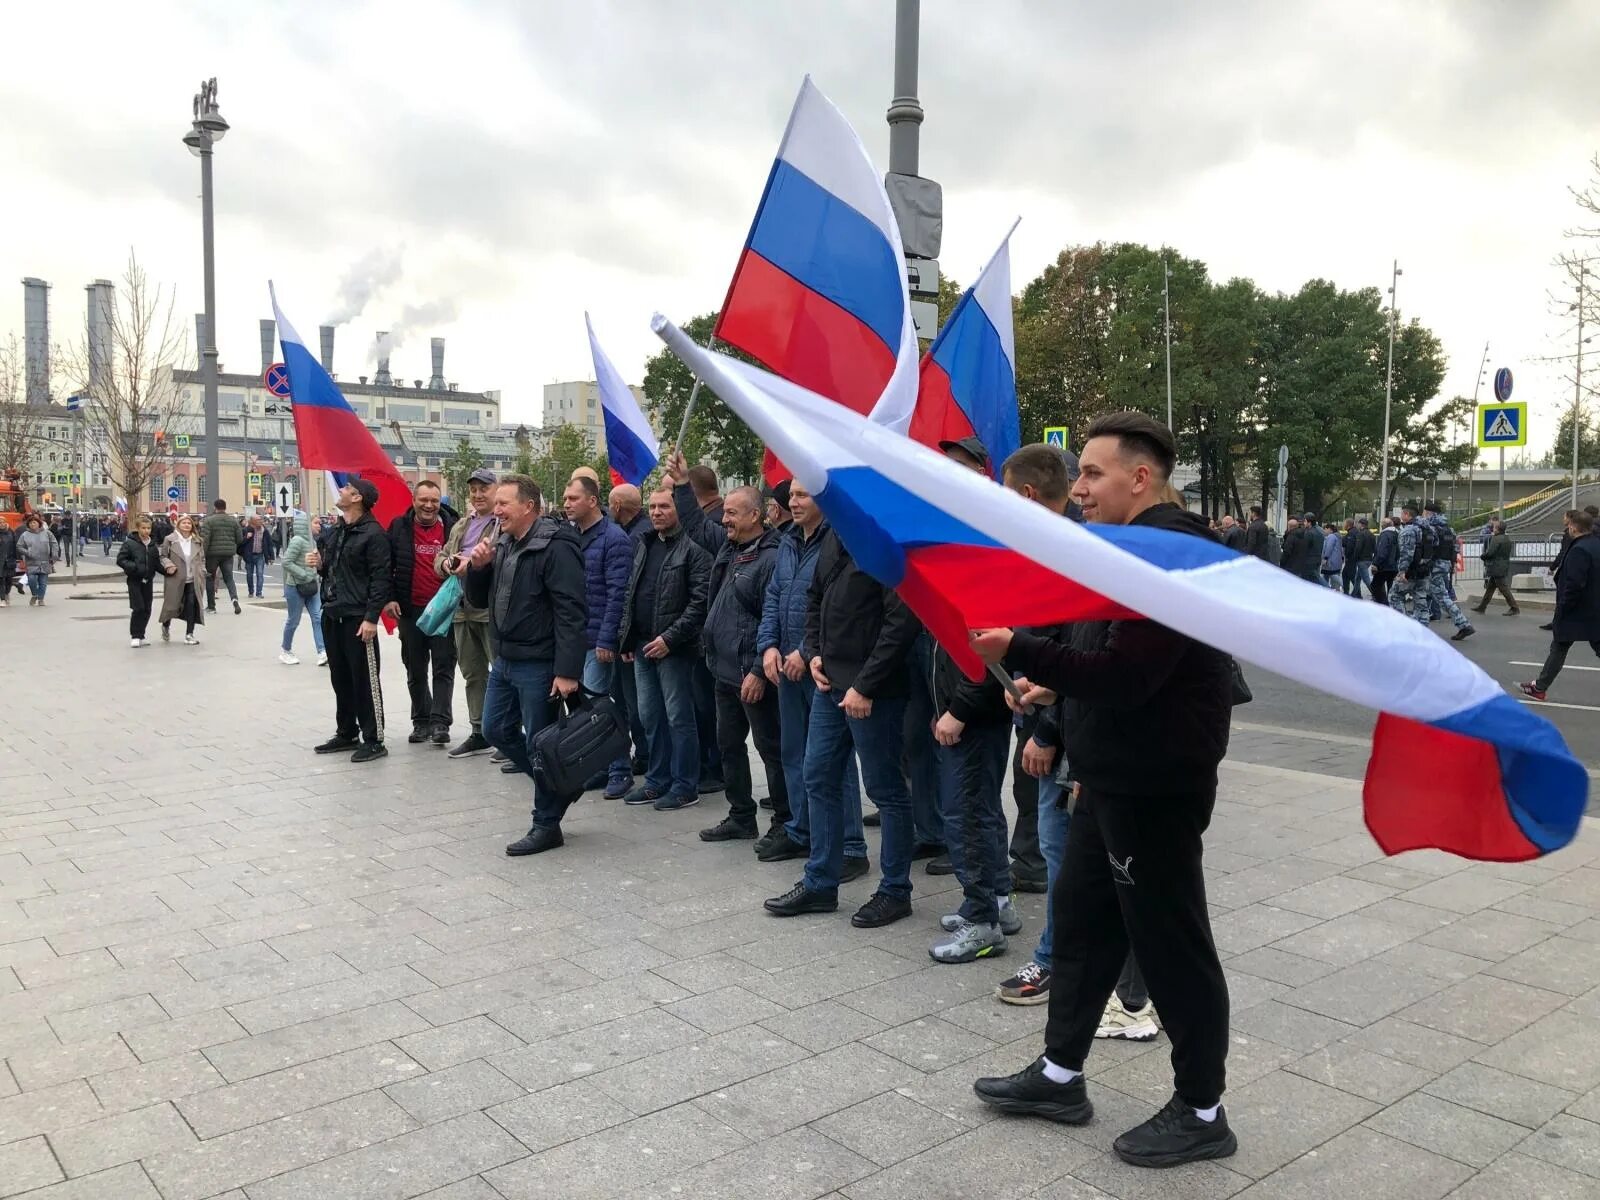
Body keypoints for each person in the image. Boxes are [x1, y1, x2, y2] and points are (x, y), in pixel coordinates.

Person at [971, 411, 1236, 1169]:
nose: (1077, 487)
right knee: (1084, 929)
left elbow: (1130, 675)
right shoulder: (1121, 550)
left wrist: (1018, 645)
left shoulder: (1170, 556)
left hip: (1154, 786)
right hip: (1107, 775)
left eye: (1090, 473)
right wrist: (1046, 687)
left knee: (1172, 944)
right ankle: (1059, 1077)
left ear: (1140, 478)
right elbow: (1096, 652)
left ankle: (1203, 1110)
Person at [763, 512, 920, 931]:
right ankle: (821, 881)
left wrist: (866, 685)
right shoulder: (836, 534)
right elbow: (815, 600)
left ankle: (895, 890)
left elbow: (901, 622)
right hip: (829, 683)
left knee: (885, 790)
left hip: (873, 693)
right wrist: (814, 652)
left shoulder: (887, 539)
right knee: (818, 777)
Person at [461, 474, 587, 855]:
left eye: (503, 504)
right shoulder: (503, 541)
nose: (495, 511)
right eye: (495, 504)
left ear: (528, 506)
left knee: (539, 743)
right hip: (505, 657)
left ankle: (546, 824)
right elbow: (480, 601)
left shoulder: (556, 544)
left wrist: (567, 671)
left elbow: (571, 611)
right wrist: (478, 568)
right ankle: (561, 784)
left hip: (540, 661)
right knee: (497, 729)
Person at [755, 482, 869, 876]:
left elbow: (830, 607)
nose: (792, 502)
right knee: (796, 755)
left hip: (820, 667)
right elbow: (775, 596)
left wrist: (806, 652)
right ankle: (805, 831)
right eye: (792, 496)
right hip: (784, 665)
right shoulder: (787, 541)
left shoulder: (837, 540)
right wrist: (767, 645)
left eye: (803, 495)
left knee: (833, 761)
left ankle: (851, 846)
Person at [698, 485, 790, 843]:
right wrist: (680, 485)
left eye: (733, 513)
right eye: (725, 513)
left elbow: (773, 618)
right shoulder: (731, 548)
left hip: (751, 672)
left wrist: (756, 670)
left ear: (756, 515)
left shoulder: (772, 558)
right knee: (729, 745)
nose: (725, 520)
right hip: (723, 668)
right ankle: (741, 815)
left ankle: (785, 820)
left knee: (770, 748)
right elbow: (697, 526)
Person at [619, 487, 712, 810]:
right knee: (650, 716)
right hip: (644, 645)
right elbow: (632, 593)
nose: (657, 512)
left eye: (664, 507)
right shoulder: (645, 545)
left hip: (674, 649)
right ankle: (657, 780)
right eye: (653, 507)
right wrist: (627, 638)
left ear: (678, 510)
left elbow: (699, 603)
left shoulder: (694, 551)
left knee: (678, 717)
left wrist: (670, 639)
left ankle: (685, 784)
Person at [311, 479, 393, 763]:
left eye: (346, 488)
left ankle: (374, 739)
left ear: (357, 497)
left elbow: (381, 580)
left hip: (358, 618)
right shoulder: (337, 532)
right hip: (333, 613)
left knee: (365, 680)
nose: (341, 491)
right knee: (340, 678)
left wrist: (372, 618)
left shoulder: (374, 534)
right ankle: (346, 732)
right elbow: (331, 570)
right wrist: (320, 565)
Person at [563, 473, 634, 797]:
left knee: (602, 707)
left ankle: (620, 769)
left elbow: (618, 594)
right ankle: (600, 767)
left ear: (592, 501)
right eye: (565, 499)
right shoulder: (570, 535)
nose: (566, 504)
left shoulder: (614, 538)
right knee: (583, 710)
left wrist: (608, 639)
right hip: (574, 637)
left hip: (597, 641)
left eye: (572, 498)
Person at [668, 456, 727, 795]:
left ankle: (714, 767)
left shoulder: (717, 525)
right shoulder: (712, 522)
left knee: (709, 708)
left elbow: (699, 531)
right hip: (708, 634)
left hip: (712, 636)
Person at [385, 480, 459, 746]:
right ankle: (421, 721)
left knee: (443, 667)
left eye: (434, 501)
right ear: (414, 500)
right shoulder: (398, 528)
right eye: (423, 500)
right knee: (415, 669)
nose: (429, 506)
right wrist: (390, 598)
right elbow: (386, 566)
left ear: (441, 503)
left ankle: (440, 723)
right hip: (409, 609)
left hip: (443, 609)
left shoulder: (454, 527)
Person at [436, 469, 499, 758]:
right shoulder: (462, 524)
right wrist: (448, 563)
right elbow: (440, 557)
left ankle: (510, 730)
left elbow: (501, 557)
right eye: (473, 490)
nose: (477, 495)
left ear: (496, 490)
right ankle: (479, 731)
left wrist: (472, 564)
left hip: (489, 609)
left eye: (483, 489)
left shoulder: (502, 523)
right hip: (461, 609)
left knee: (501, 672)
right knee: (472, 674)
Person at [1521, 510, 1600, 701]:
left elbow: (1574, 584)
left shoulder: (1579, 550)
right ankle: (1539, 686)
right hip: (1593, 608)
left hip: (1577, 610)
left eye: (1568, 525)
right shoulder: (1595, 545)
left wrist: (1563, 608)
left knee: (1559, 647)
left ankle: (1539, 688)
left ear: (1573, 527)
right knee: (1562, 646)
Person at [606, 482, 651, 772]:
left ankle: (645, 756)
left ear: (618, 507)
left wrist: (625, 638)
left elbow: (627, 591)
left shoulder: (635, 537)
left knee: (636, 702)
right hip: (630, 636)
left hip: (632, 639)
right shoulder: (635, 531)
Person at [1418, 499, 1474, 641]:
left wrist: (1423, 561)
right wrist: (1453, 563)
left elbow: (1430, 548)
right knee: (1432, 594)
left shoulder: (1432, 528)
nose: (1424, 515)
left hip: (1434, 565)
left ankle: (1463, 624)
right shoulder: (1449, 529)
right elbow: (1455, 548)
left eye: (1425, 513)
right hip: (1444, 565)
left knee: (1439, 596)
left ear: (1429, 513)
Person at [279, 512, 326, 665]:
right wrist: (303, 575)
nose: (319, 526)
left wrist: (318, 564)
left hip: (312, 586)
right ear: (307, 525)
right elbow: (286, 562)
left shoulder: (313, 542)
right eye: (316, 523)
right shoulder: (297, 541)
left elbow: (315, 564)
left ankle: (322, 651)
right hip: (296, 587)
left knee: (318, 617)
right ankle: (285, 650)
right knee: (293, 620)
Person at [157, 513, 205, 643]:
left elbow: (202, 558)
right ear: (178, 525)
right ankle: (166, 626)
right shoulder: (170, 539)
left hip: (193, 578)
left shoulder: (197, 540)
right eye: (184, 523)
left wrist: (203, 570)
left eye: (189, 523)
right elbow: (162, 556)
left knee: (192, 605)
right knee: (172, 605)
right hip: (176, 577)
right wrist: (169, 565)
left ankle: (189, 634)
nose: (187, 525)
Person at [117, 515, 161, 646]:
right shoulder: (130, 543)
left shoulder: (152, 545)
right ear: (138, 528)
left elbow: (156, 563)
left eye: (148, 528)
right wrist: (133, 567)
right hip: (135, 580)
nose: (146, 531)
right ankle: (135, 635)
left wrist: (169, 571)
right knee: (138, 608)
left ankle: (142, 635)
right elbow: (121, 560)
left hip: (148, 580)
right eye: (143, 528)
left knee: (147, 608)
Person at [202, 497, 243, 614]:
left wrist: (203, 555)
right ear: (225, 508)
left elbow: (205, 540)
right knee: (229, 578)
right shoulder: (233, 521)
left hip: (212, 555)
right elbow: (239, 539)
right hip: (228, 554)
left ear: (215, 507)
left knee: (210, 578)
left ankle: (211, 606)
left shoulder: (209, 521)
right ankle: (234, 600)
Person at [1474, 519, 1520, 617]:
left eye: (1494, 527)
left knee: (1503, 589)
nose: (1492, 528)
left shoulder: (1496, 539)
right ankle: (1482, 606)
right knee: (1490, 588)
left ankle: (1514, 607)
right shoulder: (1507, 538)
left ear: (1497, 529)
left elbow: (1490, 553)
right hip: (1503, 565)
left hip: (1496, 566)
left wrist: (1483, 556)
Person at [17, 514, 58, 606]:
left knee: (43, 583)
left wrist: (54, 556)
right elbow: (19, 546)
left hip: (45, 561)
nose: (32, 524)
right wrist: (28, 552)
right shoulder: (25, 535)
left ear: (39, 524)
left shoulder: (47, 533)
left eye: (34, 523)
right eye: (31, 523)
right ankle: (34, 594)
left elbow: (54, 544)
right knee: (31, 580)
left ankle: (41, 599)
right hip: (31, 561)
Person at [239, 515, 275, 599]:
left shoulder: (264, 530)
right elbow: (239, 543)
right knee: (249, 574)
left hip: (260, 555)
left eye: (260, 519)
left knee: (260, 574)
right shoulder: (246, 530)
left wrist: (271, 557)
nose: (260, 521)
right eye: (258, 520)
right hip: (249, 556)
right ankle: (251, 592)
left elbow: (269, 544)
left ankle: (259, 593)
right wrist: (246, 537)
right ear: (252, 521)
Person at [1370, 516, 1399, 607]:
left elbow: (1382, 551)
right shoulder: (1397, 534)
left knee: (1375, 586)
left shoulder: (1385, 535)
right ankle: (1392, 606)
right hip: (1394, 566)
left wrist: (1376, 564)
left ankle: (1384, 606)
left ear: (1383, 526)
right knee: (1391, 588)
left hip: (1384, 566)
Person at [1319, 522, 1344, 588]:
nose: (1324, 531)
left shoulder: (1331, 536)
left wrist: (1325, 558)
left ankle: (1342, 584)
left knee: (1332, 575)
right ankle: (1329, 589)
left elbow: (1328, 548)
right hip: (1336, 561)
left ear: (1329, 529)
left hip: (1330, 561)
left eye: (1325, 529)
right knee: (1327, 576)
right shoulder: (1338, 536)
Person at [0, 517, 15, 606]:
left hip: (10, 560)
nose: (1, 524)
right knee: (1, 580)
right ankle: (2, 599)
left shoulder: (11, 532)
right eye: (0, 522)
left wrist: (19, 558)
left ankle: (6, 593)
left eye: (3, 522)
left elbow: (15, 545)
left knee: (9, 580)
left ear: (6, 523)